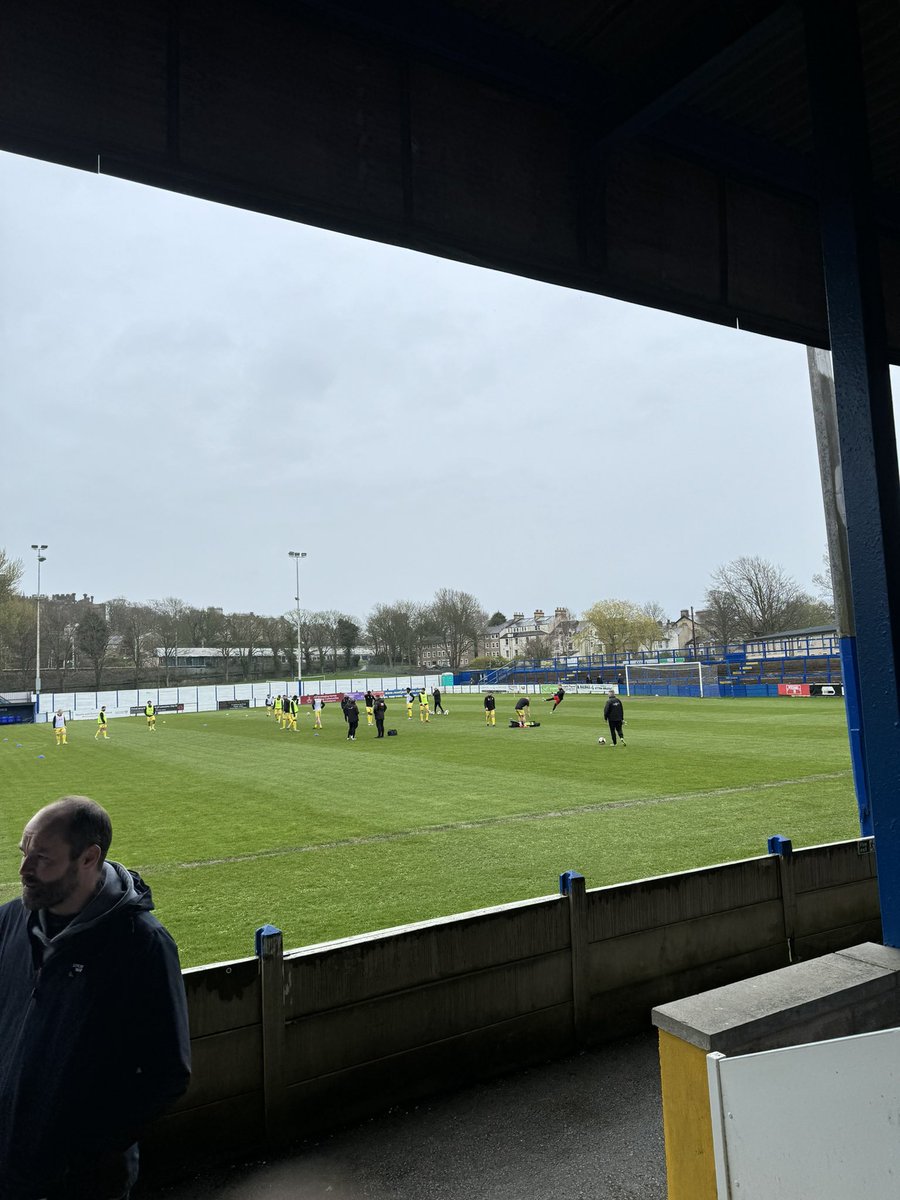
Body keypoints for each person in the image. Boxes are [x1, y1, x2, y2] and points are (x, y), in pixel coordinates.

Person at [0, 796, 191, 1199]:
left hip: (80, 1179)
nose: (24, 871)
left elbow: (167, 1072)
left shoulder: (143, 945)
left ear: (89, 858)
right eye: (23, 853)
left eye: (43, 858)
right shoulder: (9, 921)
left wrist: (86, 1150)